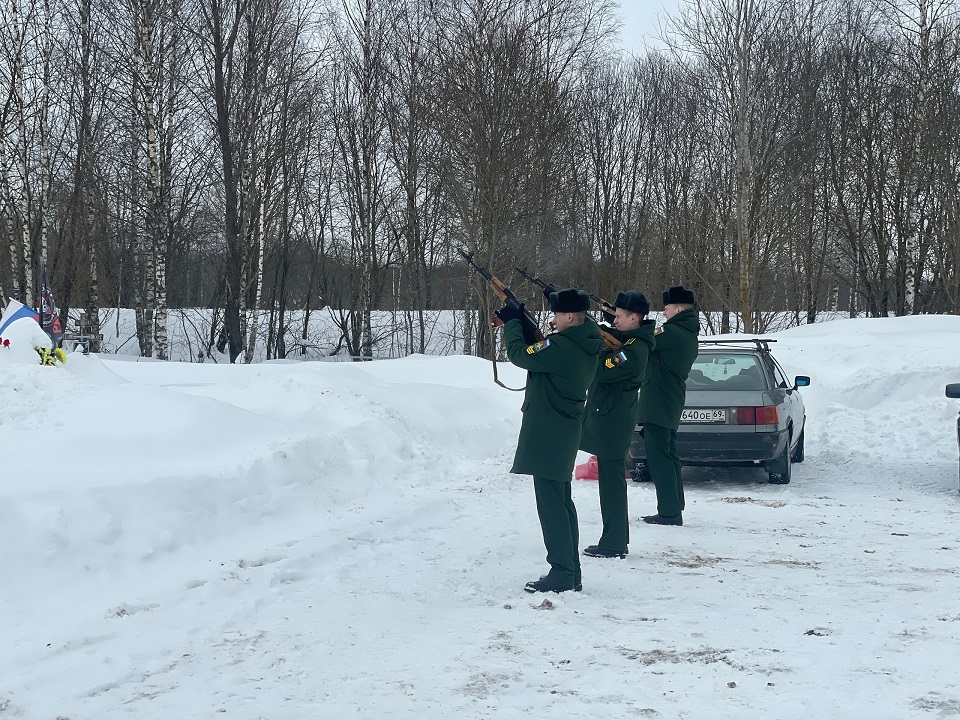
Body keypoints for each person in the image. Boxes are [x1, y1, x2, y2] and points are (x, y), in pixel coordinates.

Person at [496, 288, 603, 593]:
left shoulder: (563, 346)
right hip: (561, 429)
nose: (553, 319)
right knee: (562, 503)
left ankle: (562, 572)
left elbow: (519, 355)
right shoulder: (581, 343)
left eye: (557, 314)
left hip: (549, 431)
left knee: (553, 506)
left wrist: (513, 321)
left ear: (570, 316)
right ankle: (570, 571)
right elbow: (542, 356)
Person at [579, 291, 656, 559]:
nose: (615, 321)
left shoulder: (634, 350)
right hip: (611, 416)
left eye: (620, 317)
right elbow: (613, 338)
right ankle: (616, 539)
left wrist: (593, 348)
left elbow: (600, 371)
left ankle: (613, 544)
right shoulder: (632, 340)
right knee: (610, 481)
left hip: (613, 420)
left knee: (611, 484)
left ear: (634, 317)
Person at [636, 285, 699, 526]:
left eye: (668, 308)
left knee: (660, 457)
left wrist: (631, 322)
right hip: (666, 400)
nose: (664, 311)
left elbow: (643, 337)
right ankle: (673, 506)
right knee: (669, 456)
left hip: (659, 402)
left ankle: (669, 511)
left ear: (680, 308)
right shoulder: (685, 331)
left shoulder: (674, 332)